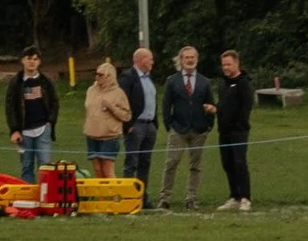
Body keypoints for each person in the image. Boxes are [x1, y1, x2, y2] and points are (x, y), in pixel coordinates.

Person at [158, 45, 217, 210]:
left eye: (193, 57)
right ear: (181, 60)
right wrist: (169, 124)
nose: (190, 60)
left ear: (196, 60)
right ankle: (165, 198)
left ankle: (191, 198)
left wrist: (209, 124)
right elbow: (166, 104)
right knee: (171, 163)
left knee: (195, 166)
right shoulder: (172, 81)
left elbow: (210, 103)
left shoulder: (204, 82)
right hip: (178, 129)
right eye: (187, 57)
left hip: (199, 130)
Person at [4, 47, 59, 183]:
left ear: (39, 62)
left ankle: (45, 197)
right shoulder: (15, 82)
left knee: (45, 166)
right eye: (29, 59)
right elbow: (10, 107)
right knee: (27, 166)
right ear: (23, 60)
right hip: (24, 132)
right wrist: (14, 130)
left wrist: (50, 122)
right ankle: (28, 200)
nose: (32, 62)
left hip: (42, 129)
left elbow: (54, 102)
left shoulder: (46, 81)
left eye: (35, 59)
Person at [216, 49, 255, 212]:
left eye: (229, 64)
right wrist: (215, 109)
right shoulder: (223, 85)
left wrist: (238, 125)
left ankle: (245, 197)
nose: (226, 67)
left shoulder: (244, 84)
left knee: (239, 163)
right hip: (223, 132)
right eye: (223, 64)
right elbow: (224, 107)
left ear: (237, 64)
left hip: (238, 131)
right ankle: (234, 196)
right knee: (228, 163)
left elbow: (245, 108)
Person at [119, 47, 159, 202]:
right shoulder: (128, 77)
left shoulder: (149, 78)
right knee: (132, 162)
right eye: (150, 58)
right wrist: (128, 124)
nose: (152, 61)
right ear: (140, 60)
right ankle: (128, 197)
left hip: (150, 125)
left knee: (145, 162)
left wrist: (155, 123)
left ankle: (142, 197)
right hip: (136, 125)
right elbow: (123, 102)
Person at [82, 60, 131, 178]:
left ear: (109, 76)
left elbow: (126, 116)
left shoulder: (118, 93)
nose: (97, 77)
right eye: (96, 74)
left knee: (107, 170)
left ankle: (113, 196)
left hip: (109, 137)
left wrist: (112, 107)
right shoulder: (91, 90)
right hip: (92, 135)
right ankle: (101, 196)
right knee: (97, 170)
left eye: (101, 75)